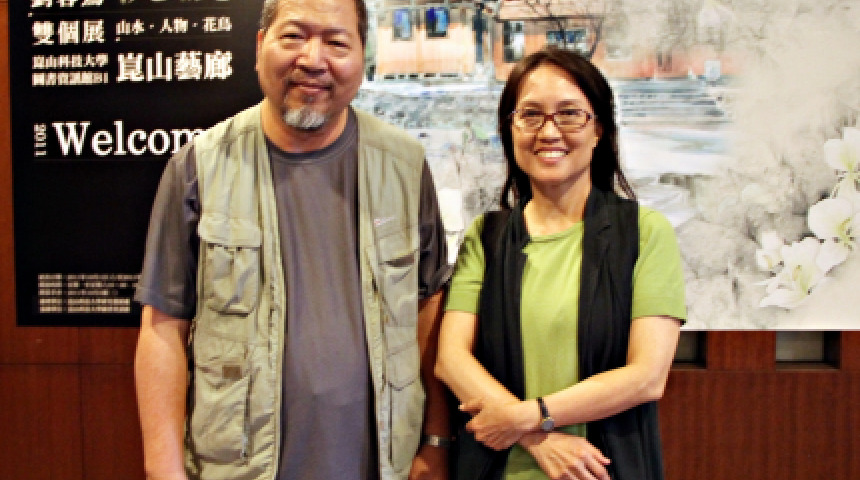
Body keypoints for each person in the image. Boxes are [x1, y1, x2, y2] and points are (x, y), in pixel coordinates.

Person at [133, 1, 452, 479]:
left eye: (336, 42)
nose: (313, 59)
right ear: (261, 46)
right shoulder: (199, 167)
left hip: (385, 464)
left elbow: (429, 308)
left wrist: (436, 443)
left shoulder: (404, 165)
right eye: (294, 36)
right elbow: (162, 328)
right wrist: (164, 471)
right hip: (238, 467)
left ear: (362, 55)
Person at [435, 47, 686, 480]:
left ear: (598, 129)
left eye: (569, 114)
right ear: (510, 129)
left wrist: (527, 417)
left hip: (603, 471)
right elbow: (451, 359)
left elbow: (647, 376)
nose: (549, 132)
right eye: (531, 115)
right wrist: (538, 437)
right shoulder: (487, 237)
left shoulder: (643, 233)